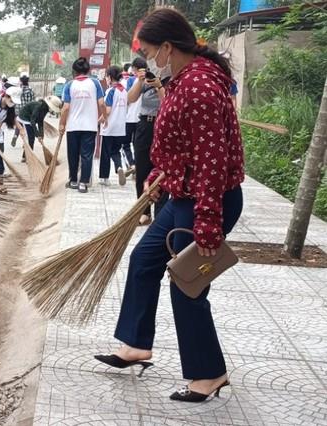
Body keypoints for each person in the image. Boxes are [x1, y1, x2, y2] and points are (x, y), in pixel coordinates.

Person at [95, 7, 244, 403]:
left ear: (167, 47)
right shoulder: (181, 80)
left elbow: (212, 160)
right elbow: (186, 147)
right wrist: (162, 173)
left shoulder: (199, 87)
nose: (147, 60)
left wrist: (209, 224)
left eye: (148, 51)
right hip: (183, 196)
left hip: (205, 202)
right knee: (144, 260)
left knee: (187, 284)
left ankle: (209, 373)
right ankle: (137, 345)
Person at [127, 56, 169, 225]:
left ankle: (160, 212)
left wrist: (159, 85)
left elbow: (167, 102)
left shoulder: (172, 78)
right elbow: (131, 98)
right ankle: (143, 211)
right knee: (142, 170)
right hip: (144, 124)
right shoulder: (142, 79)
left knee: (162, 170)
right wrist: (140, 80)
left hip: (163, 124)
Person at [58, 57, 106, 193]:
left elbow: (65, 108)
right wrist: (104, 117)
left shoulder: (69, 85)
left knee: (73, 154)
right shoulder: (95, 83)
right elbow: (102, 104)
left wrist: (62, 123)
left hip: (73, 126)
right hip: (90, 126)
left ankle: (73, 180)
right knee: (87, 155)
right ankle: (83, 183)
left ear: (74, 71)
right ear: (88, 70)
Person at [98, 66, 128, 186]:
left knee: (105, 152)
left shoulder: (111, 91)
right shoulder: (124, 91)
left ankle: (104, 178)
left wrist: (99, 120)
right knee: (116, 150)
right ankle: (119, 167)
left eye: (106, 76)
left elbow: (108, 110)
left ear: (110, 77)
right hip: (120, 127)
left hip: (109, 127)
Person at [17, 95, 62, 162]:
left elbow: (40, 121)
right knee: (31, 138)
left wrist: (41, 134)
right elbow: (33, 121)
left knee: (31, 138)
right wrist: (37, 135)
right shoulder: (38, 107)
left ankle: (25, 156)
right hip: (24, 117)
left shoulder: (45, 109)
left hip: (31, 118)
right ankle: (27, 157)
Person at [122, 65, 140, 173]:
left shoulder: (130, 81)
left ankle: (132, 164)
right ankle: (137, 164)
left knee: (126, 144)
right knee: (137, 144)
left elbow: (127, 99)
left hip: (129, 118)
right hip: (140, 119)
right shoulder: (148, 80)